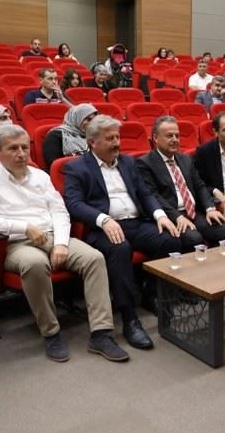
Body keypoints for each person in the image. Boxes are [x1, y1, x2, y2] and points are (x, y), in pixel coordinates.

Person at [0, 124, 130, 363]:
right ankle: (51, 332)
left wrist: (62, 244)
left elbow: (60, 212)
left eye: (24, 147)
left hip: (52, 235)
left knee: (94, 258)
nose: (21, 153)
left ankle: (101, 333)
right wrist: (23, 228)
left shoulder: (40, 176)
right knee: (35, 263)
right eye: (13, 149)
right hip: (15, 244)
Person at [63, 115, 182, 349]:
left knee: (170, 239)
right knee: (120, 249)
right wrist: (103, 219)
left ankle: (150, 293)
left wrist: (160, 215)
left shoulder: (128, 162)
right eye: (109, 139)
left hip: (136, 223)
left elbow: (145, 193)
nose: (117, 143)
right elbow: (74, 203)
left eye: (117, 137)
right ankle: (130, 319)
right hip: (102, 228)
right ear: (92, 142)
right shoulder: (76, 167)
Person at [137, 116, 225, 252]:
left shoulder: (185, 158)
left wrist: (210, 208)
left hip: (194, 212)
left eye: (177, 136)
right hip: (172, 215)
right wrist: (176, 216)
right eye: (169, 136)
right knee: (194, 239)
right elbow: (153, 196)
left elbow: (199, 186)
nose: (175, 140)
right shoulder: (145, 163)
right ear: (156, 138)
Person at [42, 104, 98, 172]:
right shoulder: (55, 136)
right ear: (76, 118)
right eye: (88, 119)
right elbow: (55, 166)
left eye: (94, 120)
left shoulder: (94, 136)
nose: (92, 123)